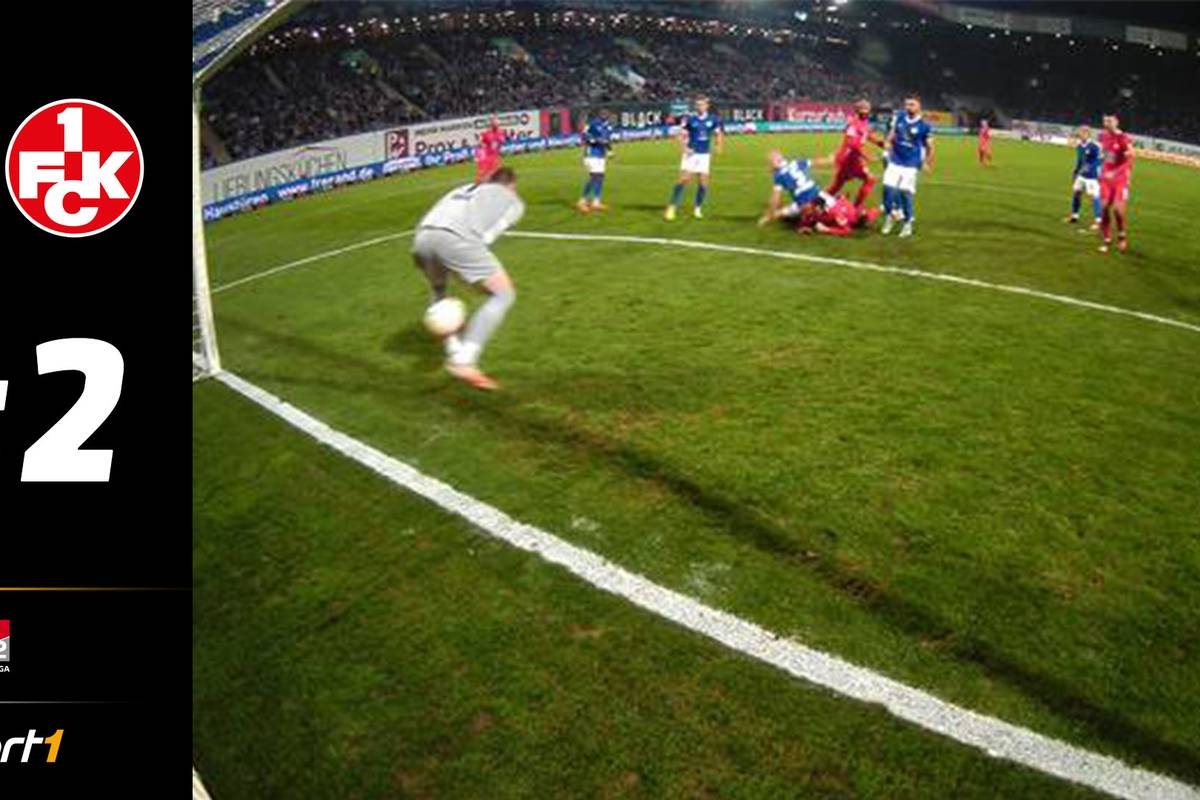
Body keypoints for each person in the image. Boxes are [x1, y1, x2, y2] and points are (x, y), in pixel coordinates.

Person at [411, 168, 524, 391]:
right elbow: (486, 238)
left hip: (421, 238)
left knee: (439, 290)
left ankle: (453, 348)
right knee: (503, 294)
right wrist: (467, 275)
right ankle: (464, 360)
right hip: (455, 240)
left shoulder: (463, 188)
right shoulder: (513, 201)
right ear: (511, 185)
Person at [881, 95, 935, 238]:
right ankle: (890, 216)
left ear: (919, 107)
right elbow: (892, 133)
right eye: (907, 104)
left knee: (905, 192)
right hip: (895, 160)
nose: (908, 107)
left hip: (911, 163)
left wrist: (926, 162)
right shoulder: (899, 117)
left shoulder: (924, 125)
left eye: (912, 104)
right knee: (887, 189)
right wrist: (887, 143)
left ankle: (907, 223)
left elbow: (930, 147)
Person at [664, 95, 724, 220]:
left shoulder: (714, 119)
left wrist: (718, 145)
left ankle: (697, 208)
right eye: (697, 104)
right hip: (691, 154)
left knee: (703, 183)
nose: (699, 106)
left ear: (707, 105)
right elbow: (680, 134)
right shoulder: (690, 119)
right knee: (684, 179)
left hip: (704, 155)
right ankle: (672, 206)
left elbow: (719, 133)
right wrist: (684, 148)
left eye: (702, 104)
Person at [826, 98, 885, 208]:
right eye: (864, 109)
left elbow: (866, 134)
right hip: (849, 159)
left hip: (850, 158)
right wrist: (867, 156)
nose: (867, 111)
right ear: (858, 110)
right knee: (870, 179)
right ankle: (856, 208)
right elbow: (852, 144)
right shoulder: (853, 123)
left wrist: (878, 142)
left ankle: (816, 203)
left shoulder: (863, 122)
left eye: (868, 108)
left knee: (837, 185)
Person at [757, 150, 836, 226]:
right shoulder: (795, 163)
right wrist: (829, 159)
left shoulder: (778, 175)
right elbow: (816, 162)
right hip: (819, 195)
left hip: (804, 205)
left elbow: (775, 198)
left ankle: (771, 216)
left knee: (782, 215)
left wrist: (769, 215)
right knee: (836, 208)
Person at [1097, 113, 1133, 253]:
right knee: (1104, 207)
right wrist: (1102, 170)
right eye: (1105, 120)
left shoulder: (1124, 138)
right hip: (1106, 178)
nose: (1107, 123)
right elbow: (1106, 156)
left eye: (1110, 120)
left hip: (1120, 179)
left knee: (1118, 210)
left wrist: (1116, 173)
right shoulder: (1103, 136)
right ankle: (1106, 238)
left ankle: (1122, 236)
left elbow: (1130, 160)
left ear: (1117, 122)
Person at [1065, 124, 1102, 229]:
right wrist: (1075, 172)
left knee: (1094, 197)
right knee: (1076, 193)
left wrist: (1090, 167)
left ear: (1087, 133)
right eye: (1079, 132)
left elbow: (1101, 160)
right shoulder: (1080, 145)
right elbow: (1080, 160)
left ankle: (1099, 221)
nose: (1079, 134)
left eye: (1081, 132)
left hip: (1092, 176)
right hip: (1081, 175)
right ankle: (1074, 216)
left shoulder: (1095, 146)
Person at [577, 110, 614, 213]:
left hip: (601, 155)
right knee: (594, 177)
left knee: (600, 177)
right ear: (600, 115)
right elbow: (584, 135)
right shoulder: (593, 124)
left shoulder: (608, 127)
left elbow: (607, 140)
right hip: (591, 154)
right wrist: (595, 140)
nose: (606, 116)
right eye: (603, 114)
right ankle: (582, 201)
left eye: (607, 114)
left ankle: (596, 202)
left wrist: (610, 150)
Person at [474, 115, 506, 183]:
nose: (496, 125)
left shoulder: (501, 132)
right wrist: (479, 153)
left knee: (497, 174)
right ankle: (478, 186)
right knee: (483, 174)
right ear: (491, 124)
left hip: (496, 156)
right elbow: (479, 144)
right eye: (494, 123)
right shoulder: (485, 133)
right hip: (487, 157)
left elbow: (502, 141)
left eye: (497, 123)